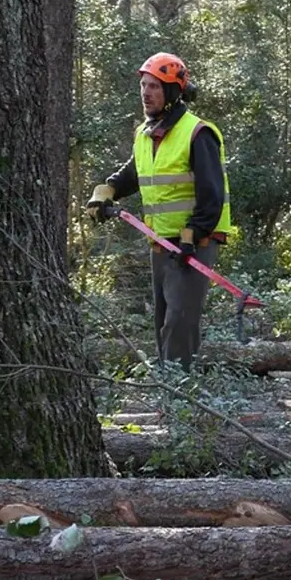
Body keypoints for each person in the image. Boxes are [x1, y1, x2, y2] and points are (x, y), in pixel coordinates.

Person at [86, 52, 236, 369]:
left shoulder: (198, 133)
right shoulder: (146, 133)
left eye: (154, 86)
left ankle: (180, 399)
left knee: (179, 322)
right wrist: (108, 189)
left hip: (194, 244)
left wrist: (191, 235)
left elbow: (211, 194)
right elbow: (135, 172)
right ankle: (171, 393)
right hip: (161, 243)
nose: (145, 93)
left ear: (171, 92)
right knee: (163, 322)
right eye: (143, 85)